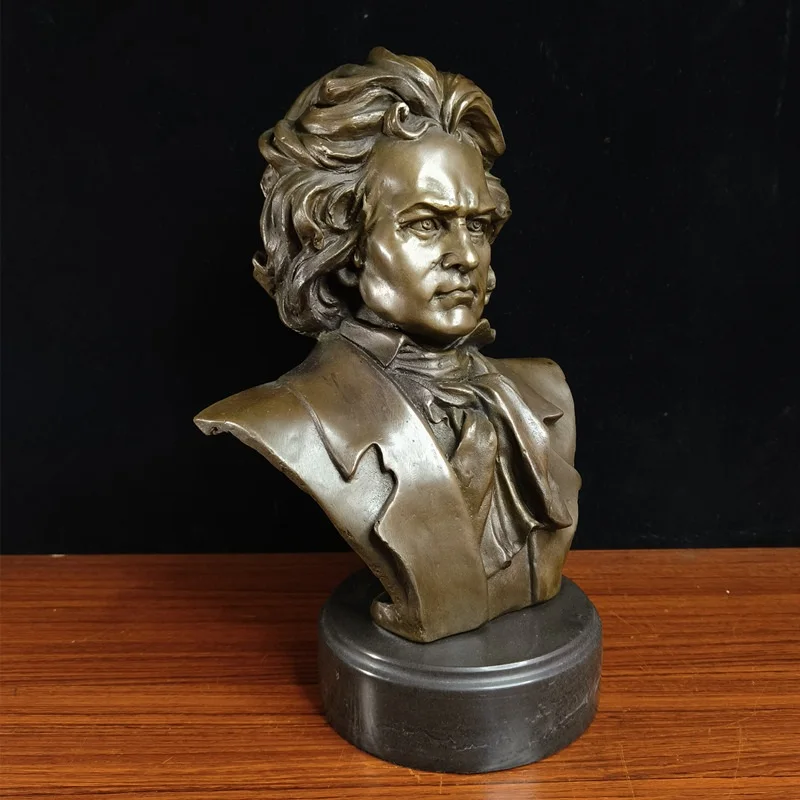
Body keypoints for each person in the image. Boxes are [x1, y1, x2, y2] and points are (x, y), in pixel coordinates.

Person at [195, 48, 580, 643]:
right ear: (345, 244)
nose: (465, 256)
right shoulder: (288, 419)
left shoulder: (545, 395)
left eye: (477, 225)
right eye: (426, 224)